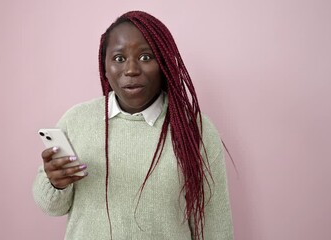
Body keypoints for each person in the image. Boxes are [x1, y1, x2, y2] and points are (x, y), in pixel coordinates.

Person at [33, 10, 234, 240]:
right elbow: (51, 207)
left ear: (164, 64)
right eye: (119, 59)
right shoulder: (76, 120)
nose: (131, 69)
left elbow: (215, 224)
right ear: (105, 68)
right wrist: (56, 184)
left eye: (146, 57)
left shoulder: (196, 130)